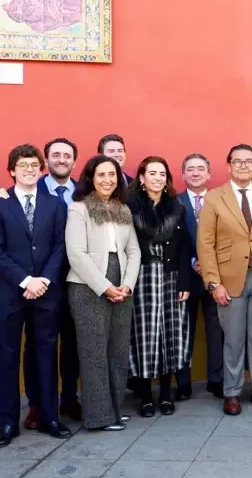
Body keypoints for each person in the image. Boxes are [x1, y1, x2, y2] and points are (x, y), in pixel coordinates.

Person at [0, 144, 71, 448]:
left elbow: (61, 246)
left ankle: (49, 417)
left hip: (47, 293)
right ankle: (8, 422)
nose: (30, 169)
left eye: (34, 165)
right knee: (7, 357)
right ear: (12, 170)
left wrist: (44, 279)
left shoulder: (56, 204)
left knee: (46, 354)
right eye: (23, 165)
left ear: (41, 168)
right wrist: (25, 280)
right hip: (10, 293)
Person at [196, 144, 252, 416]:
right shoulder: (214, 198)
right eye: (238, 162)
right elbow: (206, 243)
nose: (244, 166)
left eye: (249, 162)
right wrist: (214, 282)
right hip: (229, 280)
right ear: (229, 166)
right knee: (233, 339)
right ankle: (232, 392)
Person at [65, 156, 141, 431]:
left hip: (122, 285)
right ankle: (98, 417)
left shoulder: (123, 209)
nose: (107, 180)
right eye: (101, 175)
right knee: (94, 353)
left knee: (118, 351)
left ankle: (115, 410)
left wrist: (127, 285)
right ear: (90, 178)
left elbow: (133, 251)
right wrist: (104, 287)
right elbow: (76, 254)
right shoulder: (79, 209)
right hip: (88, 287)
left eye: (112, 174)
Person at [23, 137, 82, 430]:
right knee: (36, 344)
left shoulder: (83, 192)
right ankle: (37, 405)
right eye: (55, 155)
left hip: (76, 280)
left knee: (72, 342)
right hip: (40, 281)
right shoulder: (30, 188)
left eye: (67, 155)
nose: (61, 159)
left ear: (74, 161)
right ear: (46, 160)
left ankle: (69, 399)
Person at [127, 157, 192, 417]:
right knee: (143, 336)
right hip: (141, 275)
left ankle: (165, 393)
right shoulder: (130, 207)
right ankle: (144, 395)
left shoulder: (176, 207)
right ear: (141, 178)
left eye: (162, 173)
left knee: (170, 334)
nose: (157, 178)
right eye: (151, 173)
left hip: (171, 276)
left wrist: (185, 280)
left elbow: (186, 246)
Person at [175, 153, 226, 400]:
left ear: (209, 174)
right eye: (190, 169)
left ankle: (216, 380)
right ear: (183, 175)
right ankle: (183, 382)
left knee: (217, 329)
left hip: (216, 276)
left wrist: (209, 265)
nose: (195, 173)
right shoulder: (174, 203)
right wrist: (194, 262)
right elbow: (173, 241)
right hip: (185, 277)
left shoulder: (220, 201)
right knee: (184, 330)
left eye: (200, 169)